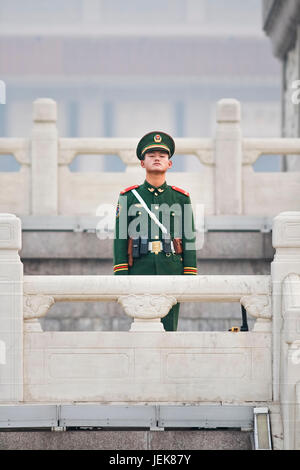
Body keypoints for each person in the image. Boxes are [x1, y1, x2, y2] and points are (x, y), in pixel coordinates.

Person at [113, 131, 197, 331]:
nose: (157, 159)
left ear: (170, 163)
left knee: (169, 329)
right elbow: (120, 238)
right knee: (141, 328)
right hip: (139, 270)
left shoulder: (181, 198)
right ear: (142, 163)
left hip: (172, 269)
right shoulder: (129, 197)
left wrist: (190, 274)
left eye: (162, 156)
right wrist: (122, 274)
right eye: (151, 156)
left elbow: (189, 238)